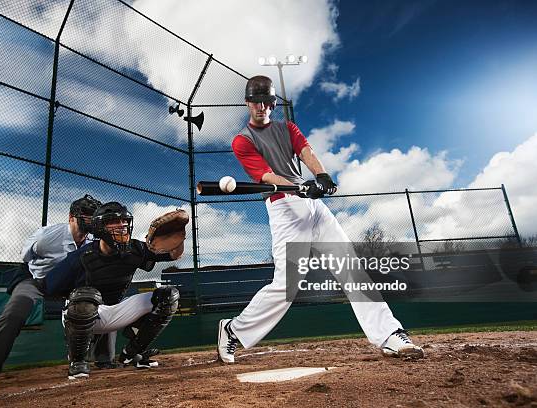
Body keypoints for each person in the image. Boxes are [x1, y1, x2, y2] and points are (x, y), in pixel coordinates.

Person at [217, 75, 424, 363]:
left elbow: (306, 151)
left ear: (273, 104)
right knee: (286, 286)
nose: (261, 107)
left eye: (267, 101)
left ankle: (389, 334)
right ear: (247, 103)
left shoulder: (286, 127)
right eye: (256, 102)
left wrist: (321, 175)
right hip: (283, 208)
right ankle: (233, 330)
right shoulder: (243, 141)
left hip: (311, 206)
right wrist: (297, 186)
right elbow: (265, 176)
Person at [0, 195, 101, 387]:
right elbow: (26, 257)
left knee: (98, 301)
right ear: (71, 217)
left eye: (94, 216)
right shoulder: (46, 236)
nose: (90, 220)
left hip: (68, 284)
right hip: (35, 280)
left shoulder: (94, 241)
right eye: (86, 215)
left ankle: (103, 359)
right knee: (14, 313)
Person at [44, 202, 182, 380]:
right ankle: (78, 361)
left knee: (168, 296)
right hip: (83, 314)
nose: (122, 225)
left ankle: (132, 353)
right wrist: (75, 300)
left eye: (124, 221)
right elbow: (50, 287)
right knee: (86, 297)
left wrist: (179, 237)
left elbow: (173, 255)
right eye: (114, 222)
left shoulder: (135, 249)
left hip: (114, 311)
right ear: (100, 227)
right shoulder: (82, 257)